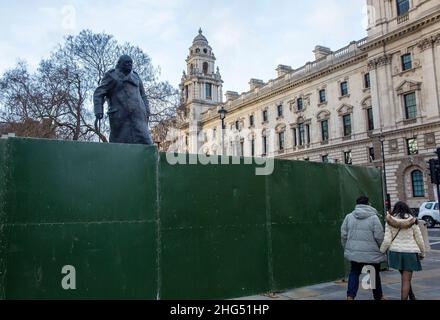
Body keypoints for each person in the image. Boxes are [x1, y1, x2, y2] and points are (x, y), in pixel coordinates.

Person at [93, 55, 153, 145]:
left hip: (139, 116)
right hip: (120, 117)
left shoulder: (136, 76)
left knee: (146, 143)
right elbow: (99, 93)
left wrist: (147, 111)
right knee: (119, 145)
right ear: (119, 64)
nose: (129, 64)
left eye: (130, 62)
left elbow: (143, 96)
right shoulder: (112, 75)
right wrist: (98, 110)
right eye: (126, 62)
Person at [341, 196, 386, 300]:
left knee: (354, 273)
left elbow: (343, 234)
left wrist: (347, 247)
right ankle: (378, 296)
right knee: (373, 274)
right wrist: (381, 249)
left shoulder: (349, 217)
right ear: (368, 204)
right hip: (372, 252)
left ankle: (350, 296)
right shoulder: (374, 218)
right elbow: (379, 236)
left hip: (354, 252)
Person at [380, 201, 425, 300]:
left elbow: (387, 240)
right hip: (410, 253)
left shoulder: (389, 220)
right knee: (406, 280)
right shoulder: (413, 220)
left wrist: (381, 251)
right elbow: (419, 239)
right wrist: (422, 252)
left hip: (395, 252)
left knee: (404, 278)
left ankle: (412, 296)